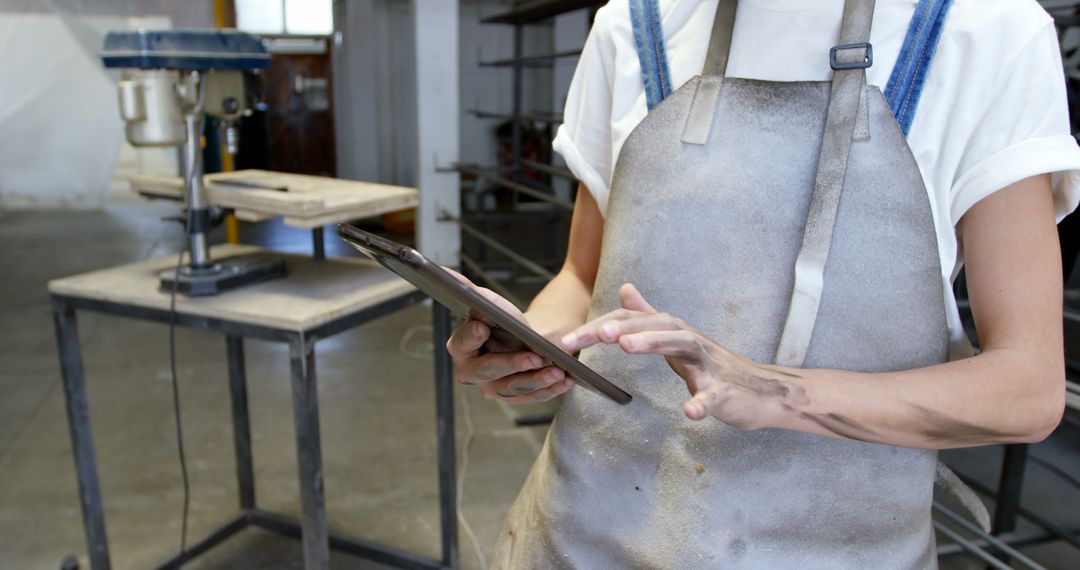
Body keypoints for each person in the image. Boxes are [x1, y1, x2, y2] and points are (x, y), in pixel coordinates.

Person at [447, 0, 1080, 566]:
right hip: (582, 531)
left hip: (842, 545)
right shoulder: (633, 23)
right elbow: (582, 276)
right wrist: (536, 341)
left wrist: (772, 392)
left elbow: (1026, 389)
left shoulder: (987, 31)